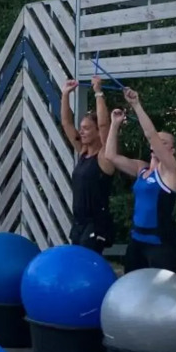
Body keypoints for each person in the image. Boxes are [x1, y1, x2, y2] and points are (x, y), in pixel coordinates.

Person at [102, 88, 176, 274]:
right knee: (133, 288)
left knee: (161, 295)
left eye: (164, 143)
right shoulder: (141, 168)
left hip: (160, 244)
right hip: (137, 241)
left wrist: (136, 105)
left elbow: (150, 136)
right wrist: (114, 124)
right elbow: (111, 156)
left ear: (172, 150)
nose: (158, 145)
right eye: (157, 142)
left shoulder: (170, 171)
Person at [61, 73, 115, 253]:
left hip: (96, 224)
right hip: (79, 223)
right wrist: (66, 94)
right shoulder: (83, 151)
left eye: (86, 128)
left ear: (97, 132)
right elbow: (66, 123)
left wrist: (98, 92)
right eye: (81, 128)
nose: (81, 132)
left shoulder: (104, 156)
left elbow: (104, 125)